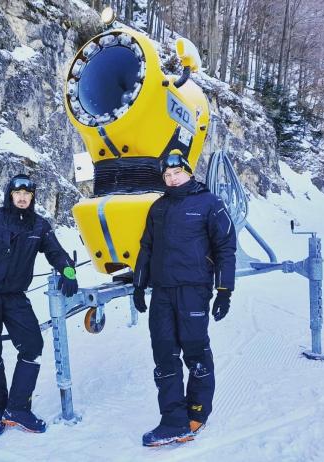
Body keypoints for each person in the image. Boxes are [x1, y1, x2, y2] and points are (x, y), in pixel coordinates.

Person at [0, 174, 79, 437]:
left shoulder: (38, 226)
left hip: (14, 295)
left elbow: (55, 251)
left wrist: (67, 269)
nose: (22, 198)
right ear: (10, 194)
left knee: (33, 345)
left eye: (27, 194)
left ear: (32, 198)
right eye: (17, 193)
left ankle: (18, 408)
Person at [132, 152, 237, 447]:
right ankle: (173, 421)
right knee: (164, 353)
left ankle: (198, 411)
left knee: (195, 349)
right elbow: (146, 248)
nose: (171, 179)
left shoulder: (210, 204)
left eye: (176, 173)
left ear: (188, 172)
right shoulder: (158, 208)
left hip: (193, 289)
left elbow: (226, 248)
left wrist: (224, 291)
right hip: (163, 292)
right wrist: (139, 286)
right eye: (166, 176)